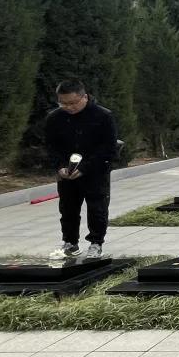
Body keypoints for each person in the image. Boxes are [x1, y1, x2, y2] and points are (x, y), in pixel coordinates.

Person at [45, 80, 118, 259]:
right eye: (63, 103)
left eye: (73, 103)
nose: (68, 107)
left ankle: (96, 243)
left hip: (95, 171)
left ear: (84, 97)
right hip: (66, 173)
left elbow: (108, 148)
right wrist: (60, 166)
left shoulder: (103, 116)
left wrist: (85, 167)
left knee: (97, 208)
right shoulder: (54, 118)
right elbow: (51, 147)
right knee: (67, 209)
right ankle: (70, 242)